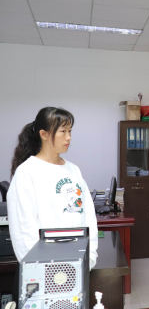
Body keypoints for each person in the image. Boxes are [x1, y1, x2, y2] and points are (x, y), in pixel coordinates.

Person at [7, 107, 98, 269]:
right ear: (44, 134)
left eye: (70, 131)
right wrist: (40, 269)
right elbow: (23, 229)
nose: (69, 137)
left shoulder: (73, 170)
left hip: (77, 263)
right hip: (43, 269)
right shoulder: (27, 172)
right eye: (63, 131)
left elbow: (88, 217)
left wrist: (89, 258)